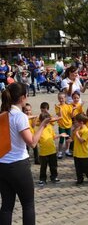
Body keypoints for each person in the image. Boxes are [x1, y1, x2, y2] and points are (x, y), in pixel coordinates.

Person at [0, 82, 50, 225]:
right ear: (23, 97)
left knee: (6, 206)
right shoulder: (20, 116)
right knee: (28, 205)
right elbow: (32, 142)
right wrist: (42, 125)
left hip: (2, 165)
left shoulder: (3, 114)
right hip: (18, 166)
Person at [72, 113, 88, 185]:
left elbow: (82, 141)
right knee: (78, 168)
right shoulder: (78, 129)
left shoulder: (86, 131)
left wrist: (77, 134)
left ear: (81, 122)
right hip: (76, 153)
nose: (74, 123)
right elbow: (73, 138)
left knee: (86, 168)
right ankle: (80, 179)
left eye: (76, 122)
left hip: (83, 154)